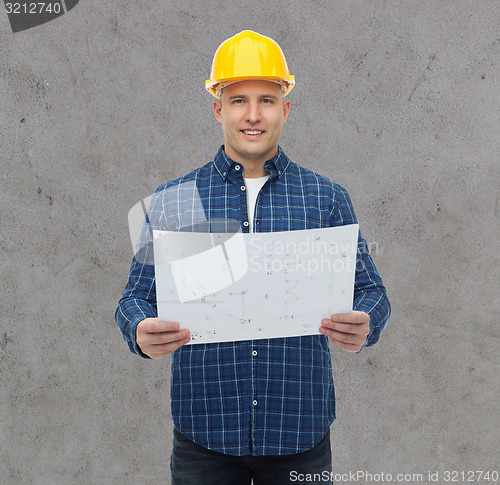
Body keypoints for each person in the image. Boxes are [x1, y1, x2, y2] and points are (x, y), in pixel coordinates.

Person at [116, 30, 391, 485]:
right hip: (204, 437)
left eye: (266, 99)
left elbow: (371, 291)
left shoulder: (325, 198)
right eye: (238, 98)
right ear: (217, 107)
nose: (252, 114)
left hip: (298, 433)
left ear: (285, 108)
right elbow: (135, 298)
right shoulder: (174, 201)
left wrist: (366, 320)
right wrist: (140, 330)